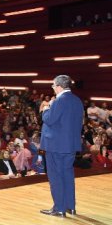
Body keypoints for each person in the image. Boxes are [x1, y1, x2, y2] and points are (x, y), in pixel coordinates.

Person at [39, 75, 84, 217]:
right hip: (70, 145)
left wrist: (46, 108)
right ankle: (70, 206)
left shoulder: (58, 102)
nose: (52, 88)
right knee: (68, 175)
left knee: (56, 177)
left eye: (53, 86)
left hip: (55, 146)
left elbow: (49, 119)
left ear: (58, 86)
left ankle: (59, 208)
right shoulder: (77, 101)